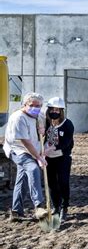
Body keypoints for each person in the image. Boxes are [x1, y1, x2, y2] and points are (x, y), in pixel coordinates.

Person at [3, 92, 48, 221]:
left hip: (32, 149)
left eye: (38, 105)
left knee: (22, 179)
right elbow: (25, 141)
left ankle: (16, 212)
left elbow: (41, 129)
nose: (35, 107)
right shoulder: (18, 118)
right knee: (33, 168)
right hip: (18, 150)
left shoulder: (38, 115)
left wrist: (42, 130)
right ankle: (38, 205)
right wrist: (39, 157)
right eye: (32, 105)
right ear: (24, 104)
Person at [43, 97, 74, 223]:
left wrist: (55, 147)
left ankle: (64, 207)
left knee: (63, 182)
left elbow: (68, 141)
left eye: (57, 109)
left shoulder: (67, 124)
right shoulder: (45, 123)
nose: (54, 112)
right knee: (51, 183)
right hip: (48, 158)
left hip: (62, 158)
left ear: (61, 111)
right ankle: (56, 206)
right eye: (52, 109)